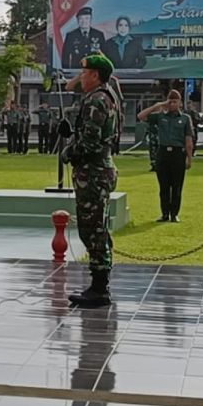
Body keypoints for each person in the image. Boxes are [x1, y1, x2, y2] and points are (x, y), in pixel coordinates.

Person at [59, 53, 121, 308]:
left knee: (92, 229)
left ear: (95, 75)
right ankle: (99, 283)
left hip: (93, 173)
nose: (82, 77)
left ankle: (99, 288)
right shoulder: (105, 96)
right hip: (97, 170)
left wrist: (68, 152)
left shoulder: (97, 100)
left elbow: (90, 142)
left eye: (85, 73)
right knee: (97, 229)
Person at [138, 90, 194, 223]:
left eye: (175, 102)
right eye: (171, 102)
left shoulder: (185, 118)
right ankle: (164, 214)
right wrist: (158, 105)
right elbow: (141, 116)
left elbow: (188, 140)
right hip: (163, 153)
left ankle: (174, 214)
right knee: (164, 186)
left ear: (180, 103)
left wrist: (189, 158)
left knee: (177, 186)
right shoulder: (160, 116)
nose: (173, 104)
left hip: (178, 154)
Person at [61, 7, 105, 71]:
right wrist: (66, 71)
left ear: (91, 19)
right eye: (81, 18)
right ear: (77, 20)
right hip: (77, 71)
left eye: (87, 18)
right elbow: (65, 56)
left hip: (95, 70)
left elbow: (105, 54)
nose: (84, 21)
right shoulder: (71, 35)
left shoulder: (99, 34)